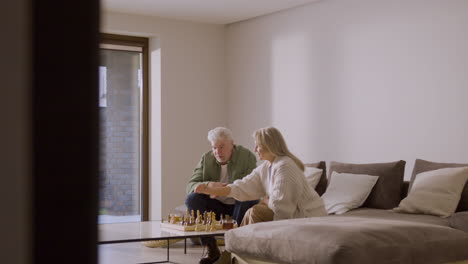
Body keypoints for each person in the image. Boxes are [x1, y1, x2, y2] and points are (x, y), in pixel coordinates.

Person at [196, 126, 326, 229]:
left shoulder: (285, 166)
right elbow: (243, 186)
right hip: (289, 214)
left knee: (256, 212)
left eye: (257, 145)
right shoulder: (267, 166)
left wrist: (265, 201)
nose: (255, 149)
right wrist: (212, 190)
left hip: (308, 216)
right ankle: (235, 253)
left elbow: (280, 207)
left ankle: (240, 253)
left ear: (269, 145)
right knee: (252, 211)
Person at [186, 127, 258, 264]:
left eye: (221, 147)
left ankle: (232, 250)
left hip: (239, 202)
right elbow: (190, 185)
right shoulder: (206, 158)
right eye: (214, 148)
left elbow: (251, 186)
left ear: (232, 144)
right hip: (217, 205)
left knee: (247, 198)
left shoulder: (247, 156)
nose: (217, 152)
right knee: (192, 199)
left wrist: (222, 190)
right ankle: (211, 248)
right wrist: (209, 185)